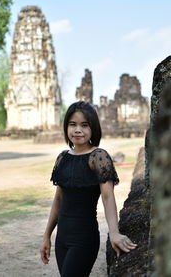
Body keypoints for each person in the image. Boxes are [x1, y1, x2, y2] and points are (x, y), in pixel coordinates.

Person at [40, 101, 137, 276]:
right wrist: (47, 235)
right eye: (73, 124)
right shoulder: (62, 158)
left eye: (84, 125)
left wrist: (114, 233)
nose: (78, 130)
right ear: (66, 127)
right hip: (62, 239)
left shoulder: (98, 157)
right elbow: (59, 199)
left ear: (93, 128)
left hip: (84, 239)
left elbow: (108, 197)